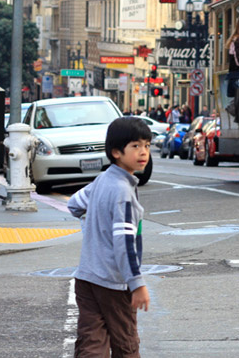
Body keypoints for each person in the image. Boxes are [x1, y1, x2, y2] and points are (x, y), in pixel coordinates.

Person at [68, 117, 152, 357]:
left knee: (91, 342)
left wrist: (94, 226)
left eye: (146, 145)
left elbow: (74, 204)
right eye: (135, 146)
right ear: (116, 152)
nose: (143, 152)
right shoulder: (123, 192)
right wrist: (137, 283)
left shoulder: (102, 180)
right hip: (114, 283)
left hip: (87, 276)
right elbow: (125, 244)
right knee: (126, 344)